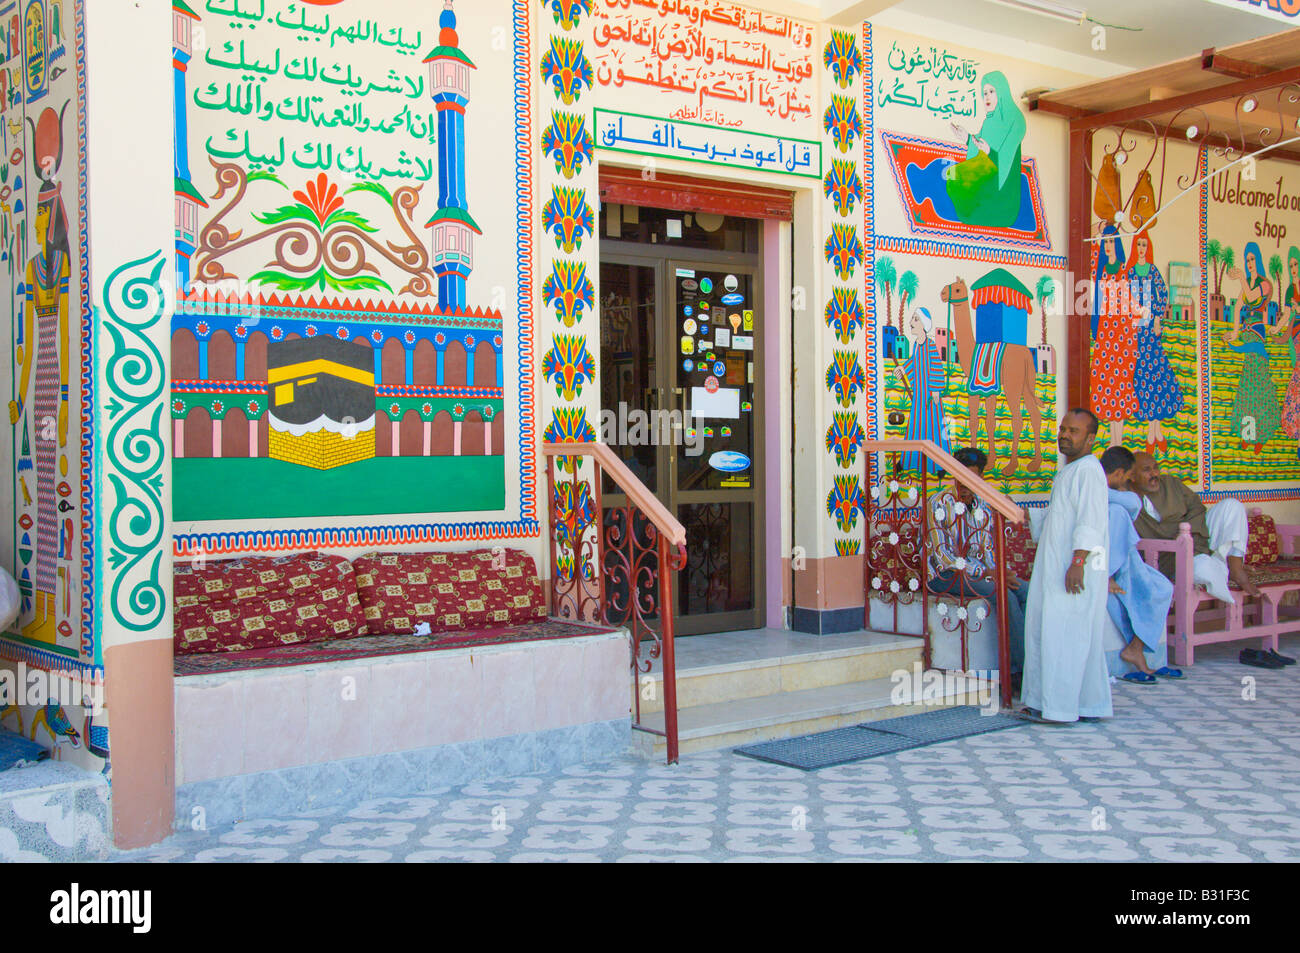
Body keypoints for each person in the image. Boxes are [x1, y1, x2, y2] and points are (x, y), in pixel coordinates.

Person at [1019, 408, 1113, 725]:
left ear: (1091, 438)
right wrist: (1026, 516)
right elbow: (1060, 517)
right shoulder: (1071, 470)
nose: (1064, 435)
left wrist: (1077, 562)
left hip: (1073, 570)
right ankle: (1084, 704)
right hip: (1059, 567)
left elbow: (1090, 521)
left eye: (1073, 431)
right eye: (1062, 429)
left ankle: (1059, 709)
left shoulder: (1088, 471)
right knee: (1062, 634)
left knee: (1065, 635)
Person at [926, 446, 1029, 684]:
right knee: (1003, 595)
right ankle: (1022, 674)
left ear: (980, 477)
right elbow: (943, 557)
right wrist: (987, 573)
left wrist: (999, 573)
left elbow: (987, 549)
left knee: (1024, 590)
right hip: (944, 575)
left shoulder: (982, 504)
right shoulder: (938, 503)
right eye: (960, 476)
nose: (964, 484)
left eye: (971, 477)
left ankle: (1026, 664)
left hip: (977, 574)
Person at [1126, 451, 1258, 603]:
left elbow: (1196, 507)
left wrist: (1190, 534)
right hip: (1170, 559)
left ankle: (1236, 568)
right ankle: (1223, 568)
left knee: (1232, 506)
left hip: (1196, 538)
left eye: (1156, 467)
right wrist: (1179, 544)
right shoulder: (1125, 499)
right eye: (1146, 470)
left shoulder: (1171, 484)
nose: (1154, 473)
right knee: (1203, 568)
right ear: (1132, 476)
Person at [1099, 446, 1182, 685]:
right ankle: (1135, 654)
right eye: (1127, 476)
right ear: (1120, 472)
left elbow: (1133, 504)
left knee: (1163, 588)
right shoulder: (1110, 499)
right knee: (1150, 592)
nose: (1127, 482)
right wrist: (1107, 572)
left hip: (1126, 560)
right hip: (1109, 563)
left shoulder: (1111, 495)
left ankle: (1136, 649)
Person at [1125, 230, 1184, 454]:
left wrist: (1158, 317)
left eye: (1144, 245)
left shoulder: (1153, 271)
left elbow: (1163, 295)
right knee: (1144, 381)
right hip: (1137, 332)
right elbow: (1127, 301)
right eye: (1138, 244)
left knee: (1158, 378)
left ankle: (1156, 432)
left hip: (1152, 330)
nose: (1141, 249)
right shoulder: (1130, 273)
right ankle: (1153, 434)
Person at [944, 71, 1026, 228]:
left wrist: (990, 153)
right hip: (987, 172)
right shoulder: (989, 121)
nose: (987, 97)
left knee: (968, 188)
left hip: (1003, 190)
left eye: (991, 91)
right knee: (953, 176)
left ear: (1001, 92)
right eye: (984, 93)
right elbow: (979, 148)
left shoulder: (1015, 121)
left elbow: (1007, 161)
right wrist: (967, 138)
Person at [1225, 241, 1282, 453]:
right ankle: (1248, 435)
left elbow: (1250, 297)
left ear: (1257, 259)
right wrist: (1235, 332)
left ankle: (1262, 435)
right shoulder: (1248, 282)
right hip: (1248, 334)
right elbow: (1239, 306)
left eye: (1251, 259)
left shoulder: (1265, 284)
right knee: (1248, 389)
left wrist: (1240, 278)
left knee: (1259, 388)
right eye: (1246, 259)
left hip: (1257, 336)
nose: (1249, 263)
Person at [1091, 226, 1140, 448]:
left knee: (1121, 382)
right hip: (1105, 330)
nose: (1108, 245)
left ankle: (1118, 440)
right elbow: (1090, 240)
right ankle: (1113, 441)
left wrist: (1137, 322)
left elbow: (1133, 300)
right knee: (1106, 381)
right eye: (1106, 242)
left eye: (1112, 241)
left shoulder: (1124, 269)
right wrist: (1099, 229)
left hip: (1122, 332)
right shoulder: (1100, 269)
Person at [894, 306, 950, 475]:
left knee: (934, 429)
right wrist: (903, 369)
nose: (911, 323)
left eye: (915, 320)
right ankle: (908, 461)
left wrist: (935, 390)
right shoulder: (916, 346)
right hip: (919, 394)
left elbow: (936, 367)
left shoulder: (930, 345)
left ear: (923, 325)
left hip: (929, 396)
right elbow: (914, 362)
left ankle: (939, 466)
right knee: (916, 426)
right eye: (912, 319)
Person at [1276, 246, 1300, 442]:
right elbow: (1286, 314)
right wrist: (1276, 328)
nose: (1293, 267)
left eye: (1295, 264)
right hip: (1297, 333)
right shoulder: (1290, 290)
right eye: (1290, 264)